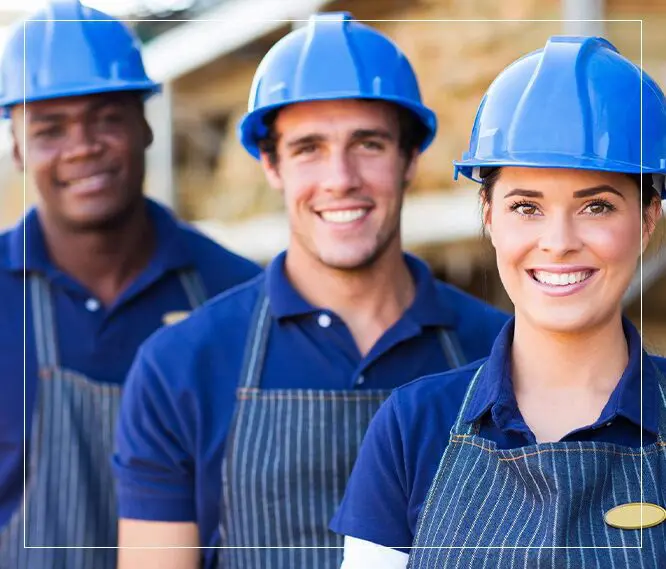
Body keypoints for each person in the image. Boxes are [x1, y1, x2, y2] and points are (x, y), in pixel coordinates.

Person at [113, 12, 508, 569]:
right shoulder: (180, 367)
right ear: (270, 164)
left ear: (411, 158)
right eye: (308, 149)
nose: (340, 178)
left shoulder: (499, 355)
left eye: (368, 144)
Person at [330, 35, 666, 568]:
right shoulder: (412, 426)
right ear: (488, 215)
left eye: (597, 206)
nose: (558, 241)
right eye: (526, 207)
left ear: (648, 219)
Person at [0, 2, 261, 568]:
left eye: (106, 117)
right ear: (18, 148)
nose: (82, 146)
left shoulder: (240, 298)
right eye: (49, 130)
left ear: (146, 122)